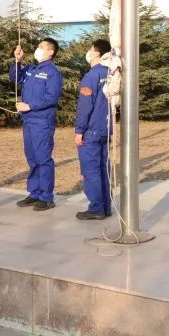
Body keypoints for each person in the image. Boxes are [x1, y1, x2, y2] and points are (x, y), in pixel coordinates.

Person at [10, 38, 64, 211]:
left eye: (41, 47)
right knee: (32, 158)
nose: (37, 49)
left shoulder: (52, 72)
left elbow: (51, 97)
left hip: (42, 122)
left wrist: (30, 106)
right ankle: (35, 193)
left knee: (43, 158)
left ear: (51, 52)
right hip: (28, 121)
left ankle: (46, 197)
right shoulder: (31, 69)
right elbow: (15, 78)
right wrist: (17, 61)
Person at [75, 39, 113, 221]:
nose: (88, 53)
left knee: (91, 170)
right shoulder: (110, 73)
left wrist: (79, 130)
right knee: (103, 169)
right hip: (105, 128)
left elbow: (85, 106)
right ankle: (106, 206)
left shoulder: (91, 76)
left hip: (91, 131)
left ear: (97, 53)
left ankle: (96, 208)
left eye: (90, 49)